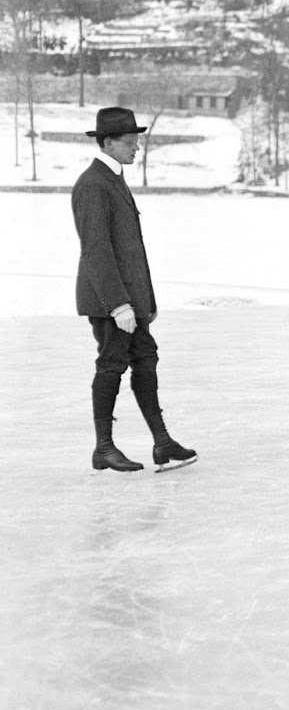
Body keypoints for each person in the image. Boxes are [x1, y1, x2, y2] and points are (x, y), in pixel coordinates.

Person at [72, 106, 197, 472]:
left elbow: (131, 250)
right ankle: (103, 447)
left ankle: (162, 442)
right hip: (109, 301)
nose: (136, 148)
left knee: (145, 358)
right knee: (111, 364)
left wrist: (146, 302)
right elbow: (97, 250)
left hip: (130, 299)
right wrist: (118, 305)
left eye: (136, 142)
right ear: (109, 142)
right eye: (130, 142)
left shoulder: (113, 178)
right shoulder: (93, 184)